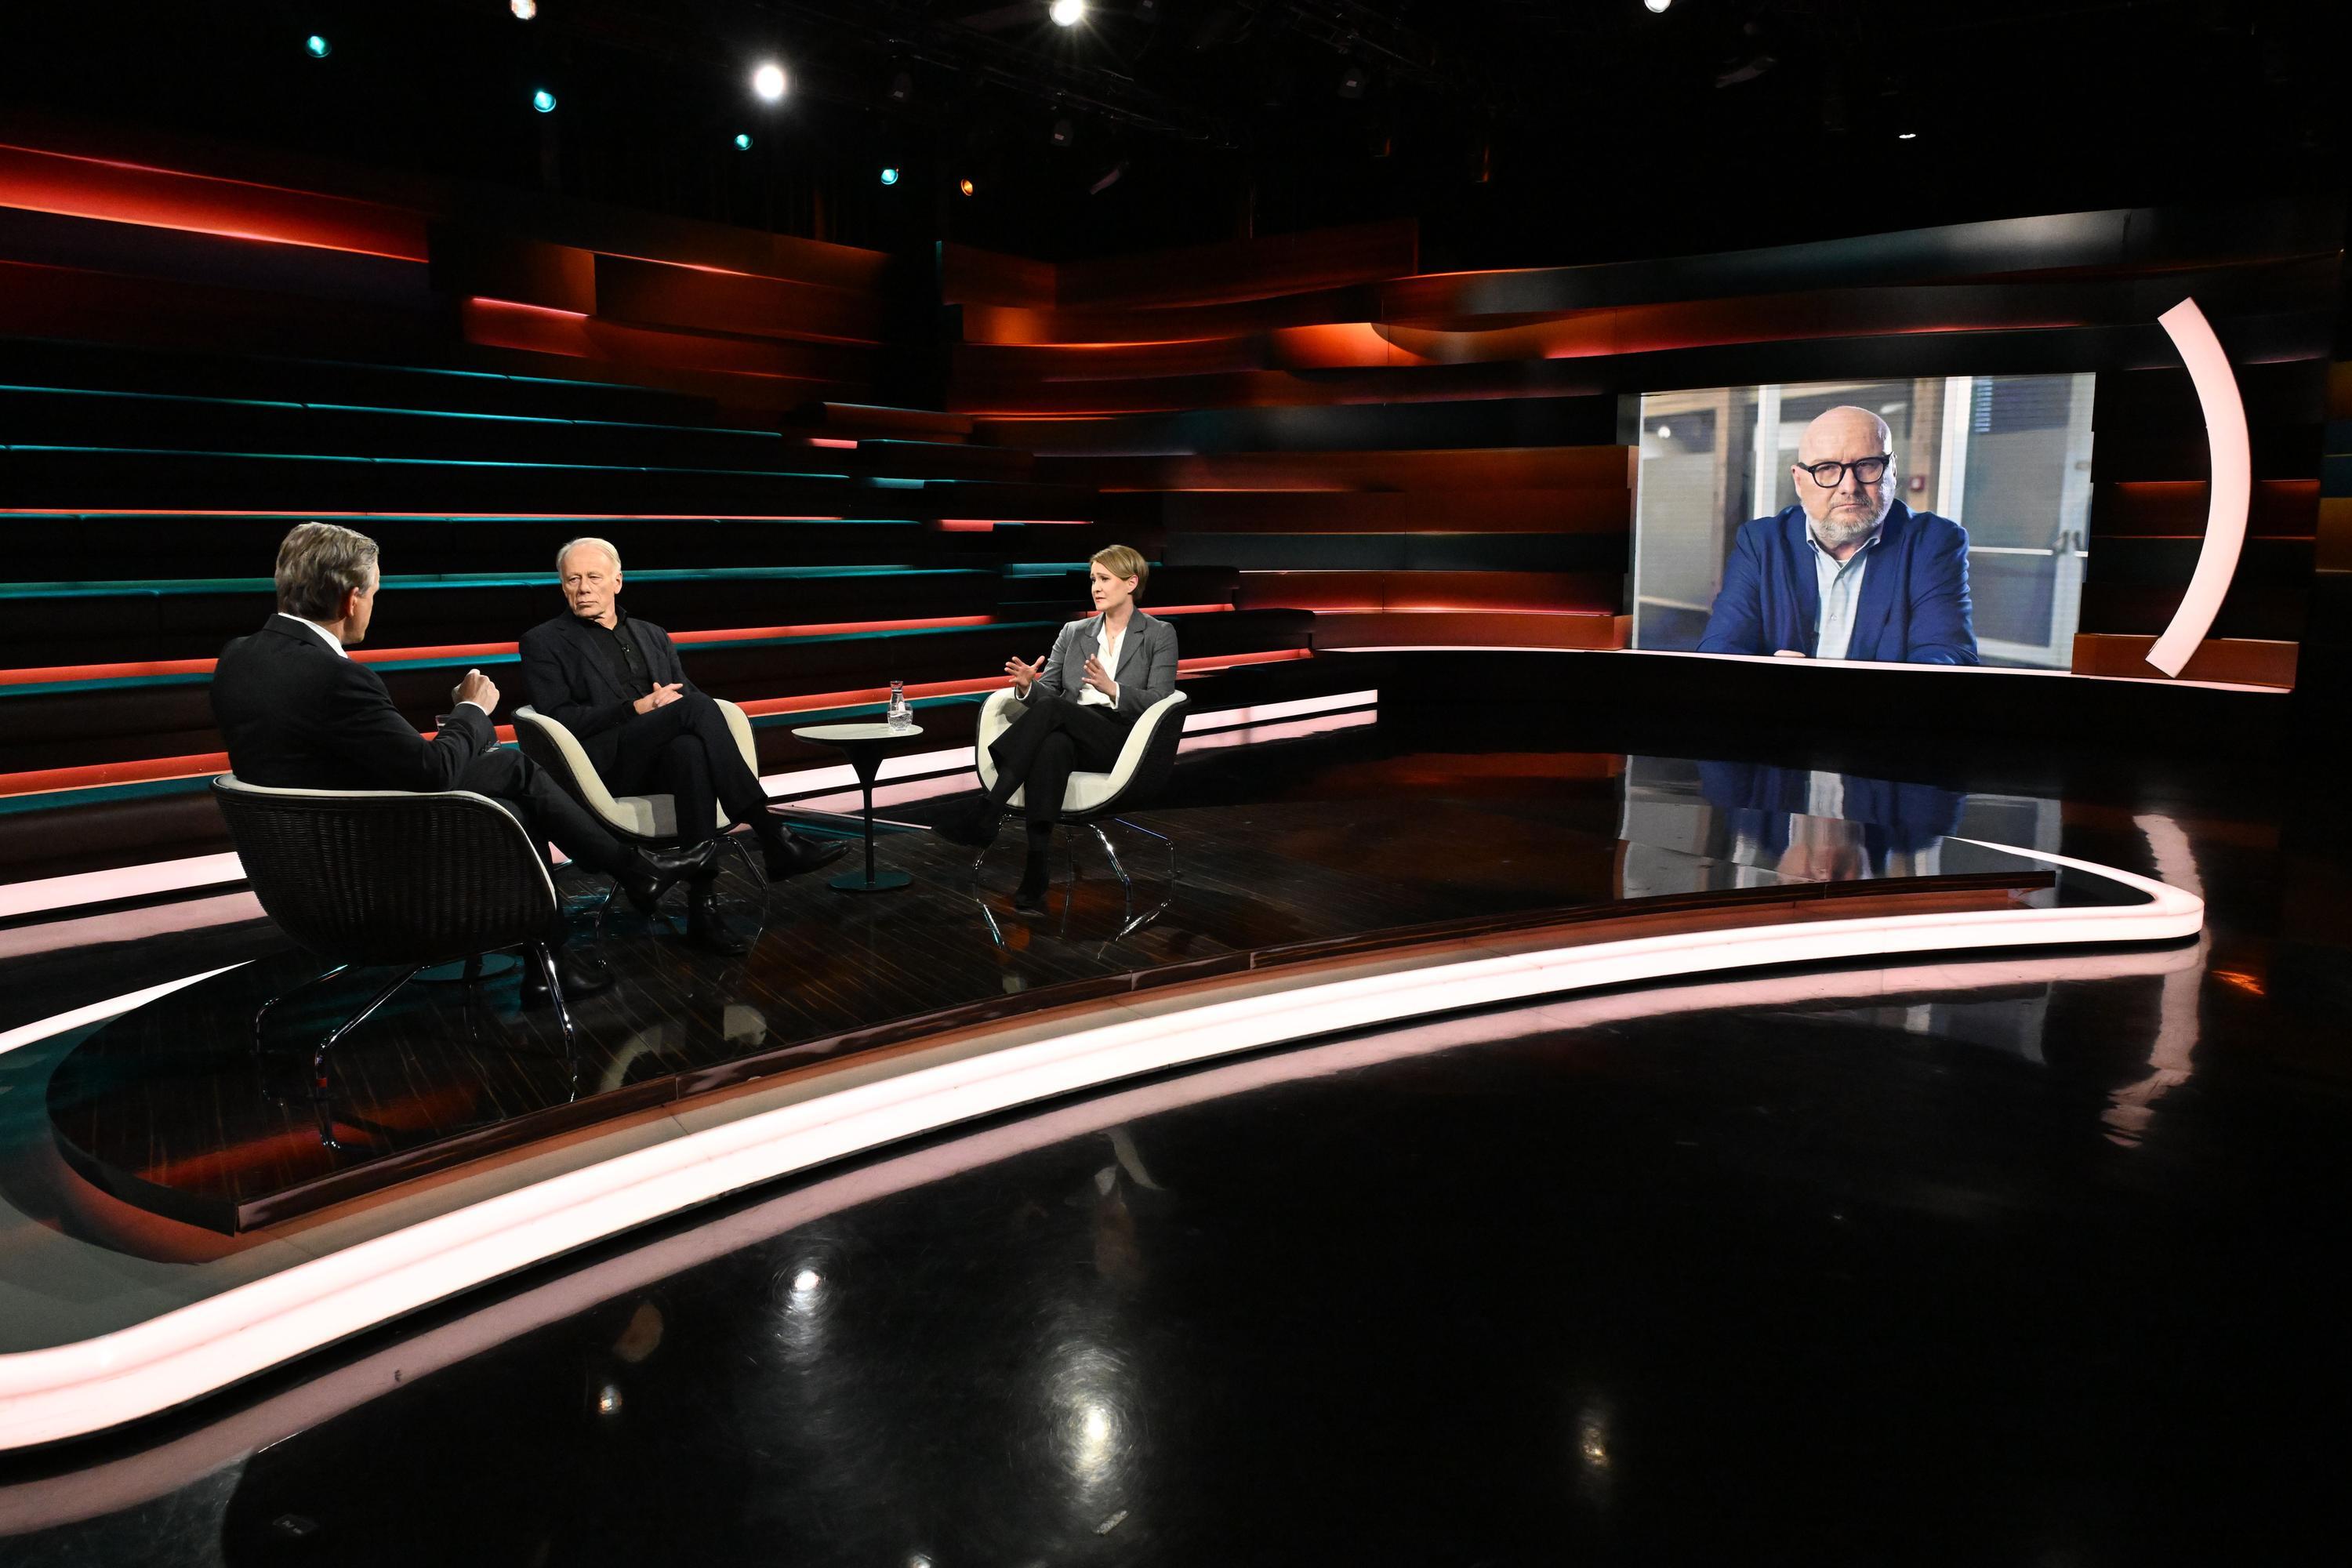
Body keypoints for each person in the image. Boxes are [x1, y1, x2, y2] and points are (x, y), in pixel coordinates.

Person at [211, 522, 715, 1001]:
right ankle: (607, 899)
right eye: (375, 593)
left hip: (298, 852)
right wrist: (471, 711)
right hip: (362, 862)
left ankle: (590, 920)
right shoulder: (338, 678)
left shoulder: (239, 656)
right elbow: (432, 771)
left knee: (510, 772)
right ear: (352, 599)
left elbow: (326, 759)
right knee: (510, 799)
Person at [519, 537, 846, 955]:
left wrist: (670, 708)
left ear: (617, 582)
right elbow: (559, 716)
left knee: (690, 752)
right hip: (603, 764)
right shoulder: (543, 641)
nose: (583, 588)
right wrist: (636, 708)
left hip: (660, 758)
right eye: (573, 580)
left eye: (594, 578)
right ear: (562, 585)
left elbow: (686, 695)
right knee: (694, 710)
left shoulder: (652, 635)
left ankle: (702, 911)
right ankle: (771, 833)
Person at [933, 545, 1179, 910]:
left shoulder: (1159, 634)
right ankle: (1036, 866)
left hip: (1121, 739)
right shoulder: (1074, 631)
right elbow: (1048, 693)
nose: (1096, 587)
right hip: (1069, 727)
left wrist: (1113, 689)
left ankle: (988, 810)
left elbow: (1162, 699)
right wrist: (1028, 687)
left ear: (1131, 583)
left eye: (1105, 579)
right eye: (1093, 579)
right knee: (1052, 746)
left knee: (1053, 713)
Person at [1697, 405, 1980, 665]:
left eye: (1866, 465)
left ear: (1891, 470)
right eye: (1827, 469)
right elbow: (1720, 648)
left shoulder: (1934, 542)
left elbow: (1948, 656)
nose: (1849, 487)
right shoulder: (1760, 542)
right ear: (1799, 480)